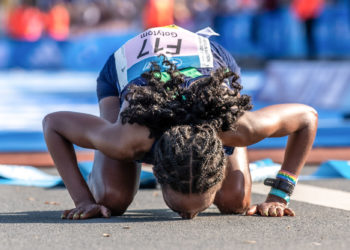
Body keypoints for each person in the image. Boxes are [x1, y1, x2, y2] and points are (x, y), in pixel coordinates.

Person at [43, 25, 318, 220]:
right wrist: (83, 201)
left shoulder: (237, 126)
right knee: (110, 200)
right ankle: (107, 134)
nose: (189, 216)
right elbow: (53, 124)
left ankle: (233, 144)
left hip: (209, 63)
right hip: (128, 66)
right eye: (179, 208)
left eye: (198, 207)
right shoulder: (128, 137)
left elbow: (307, 117)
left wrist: (280, 195)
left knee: (235, 200)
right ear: (159, 171)